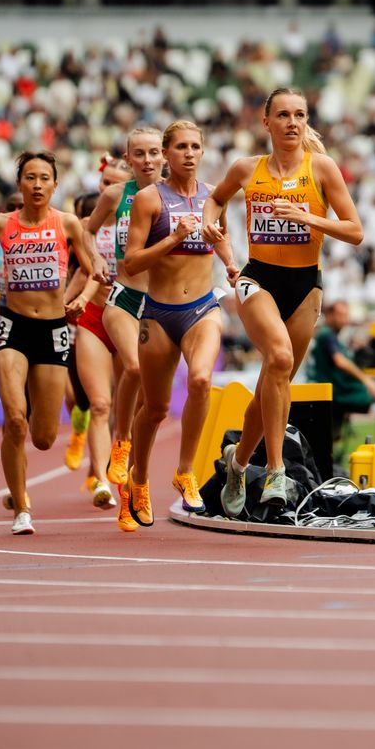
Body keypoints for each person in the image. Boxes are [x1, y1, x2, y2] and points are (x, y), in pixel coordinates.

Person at [205, 88, 363, 518]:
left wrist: (309, 217)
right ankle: (275, 470)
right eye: (283, 115)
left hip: (306, 285)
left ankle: (237, 463)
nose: (292, 122)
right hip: (259, 276)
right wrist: (213, 231)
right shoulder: (246, 168)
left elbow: (354, 230)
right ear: (266, 122)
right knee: (277, 357)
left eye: (300, 115)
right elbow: (216, 199)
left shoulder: (323, 168)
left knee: (275, 379)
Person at [0, 151, 99, 536]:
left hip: (54, 331)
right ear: (19, 183)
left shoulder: (68, 224)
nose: (37, 185)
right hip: (12, 327)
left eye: (44, 178)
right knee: (15, 420)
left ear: (55, 185)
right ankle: (21, 506)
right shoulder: (0, 225)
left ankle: (32, 471)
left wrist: (82, 300)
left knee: (42, 437)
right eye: (30, 178)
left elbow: (95, 273)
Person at [116, 119, 239, 531]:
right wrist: (171, 238)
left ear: (203, 152)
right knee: (154, 410)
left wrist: (232, 265)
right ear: (166, 154)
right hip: (158, 313)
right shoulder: (149, 200)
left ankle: (185, 471)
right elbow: (132, 262)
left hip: (202, 308)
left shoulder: (212, 196)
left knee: (202, 380)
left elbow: (220, 236)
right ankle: (139, 478)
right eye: (181, 147)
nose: (188, 153)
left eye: (195, 146)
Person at [81, 127, 166, 491]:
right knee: (132, 366)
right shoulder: (116, 195)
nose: (147, 160)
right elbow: (85, 231)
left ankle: (137, 481)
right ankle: (120, 440)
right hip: (125, 297)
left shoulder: (177, 193)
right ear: (129, 159)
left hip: (163, 304)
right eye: (140, 154)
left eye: (154, 153)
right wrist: (96, 260)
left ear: (164, 156)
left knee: (152, 402)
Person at [63, 193, 118, 510]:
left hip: (128, 313)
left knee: (125, 406)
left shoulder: (143, 212)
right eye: (105, 184)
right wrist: (68, 304)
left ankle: (118, 467)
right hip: (88, 317)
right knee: (89, 401)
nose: (109, 191)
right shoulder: (82, 229)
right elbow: (86, 272)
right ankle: (100, 477)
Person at [310, 301, 375, 452]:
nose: (344, 320)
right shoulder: (327, 334)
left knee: (331, 441)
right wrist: (367, 381)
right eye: (340, 315)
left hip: (340, 389)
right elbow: (340, 362)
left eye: (345, 315)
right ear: (330, 316)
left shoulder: (331, 336)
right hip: (340, 392)